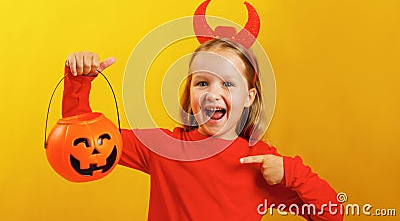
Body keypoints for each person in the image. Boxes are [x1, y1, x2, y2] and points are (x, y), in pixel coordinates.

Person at [62, 39, 343, 221]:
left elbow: (332, 214)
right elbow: (83, 142)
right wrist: (79, 83)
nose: (213, 94)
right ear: (190, 92)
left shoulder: (260, 162)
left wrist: (291, 173)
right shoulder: (164, 146)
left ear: (249, 97)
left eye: (228, 84)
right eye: (203, 83)